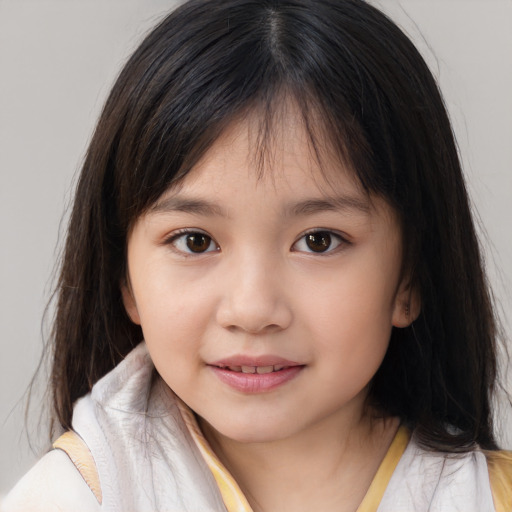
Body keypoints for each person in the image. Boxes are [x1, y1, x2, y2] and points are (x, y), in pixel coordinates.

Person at [2, 0, 511, 510]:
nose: (251, 309)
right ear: (125, 280)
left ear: (410, 278)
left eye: (319, 240)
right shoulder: (67, 498)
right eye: (195, 240)